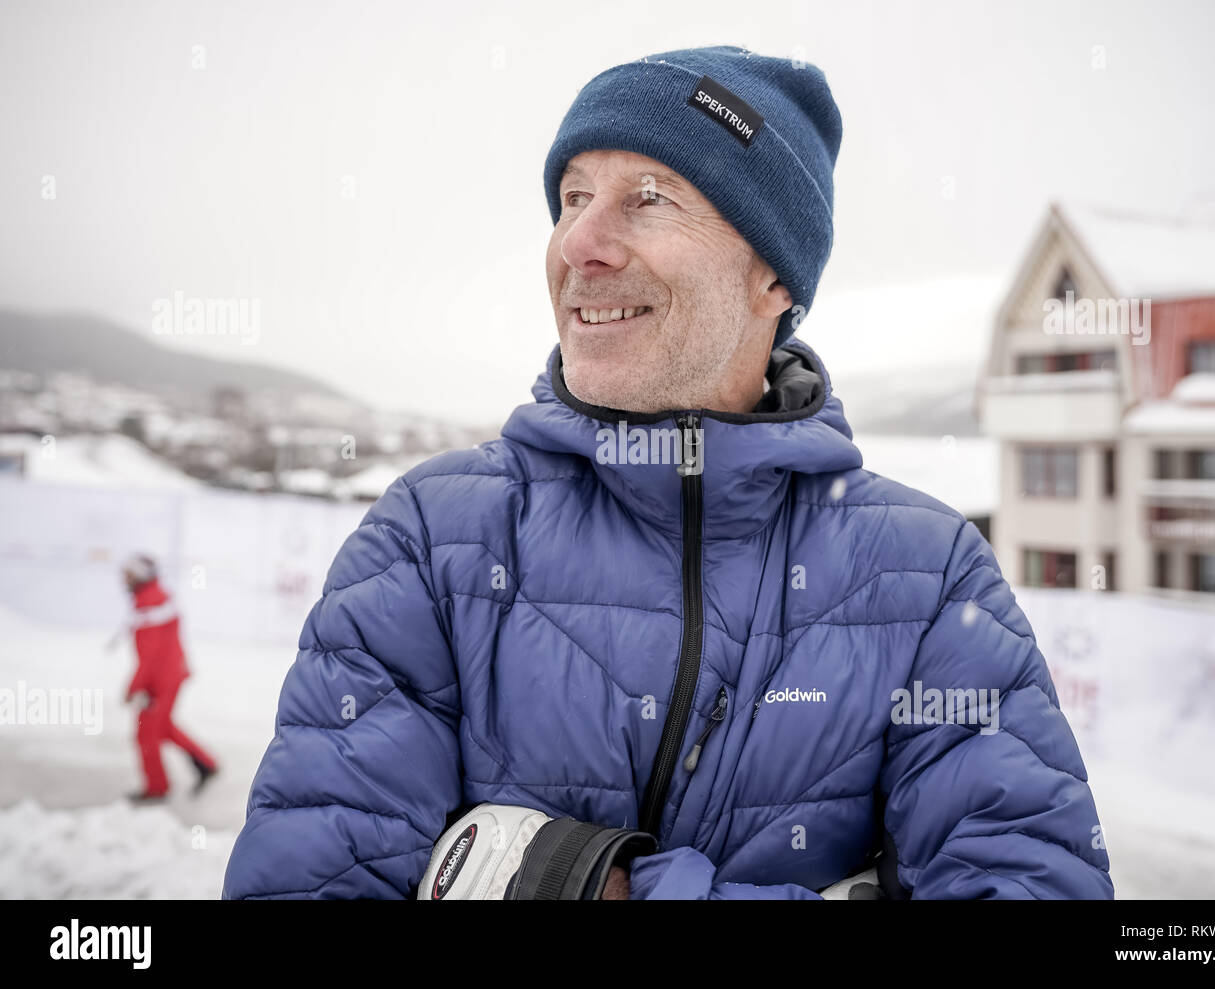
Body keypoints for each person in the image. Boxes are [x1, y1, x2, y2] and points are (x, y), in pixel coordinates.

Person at [223, 45, 1113, 899]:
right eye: (572, 198)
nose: (581, 243)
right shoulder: (431, 539)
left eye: (647, 199)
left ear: (774, 277)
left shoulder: (925, 578)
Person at [118, 553, 218, 802]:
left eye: (128, 575)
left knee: (146, 732)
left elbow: (149, 655)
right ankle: (206, 764)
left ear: (140, 575)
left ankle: (157, 788)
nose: (123, 580)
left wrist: (134, 686)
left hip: (161, 679)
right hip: (167, 674)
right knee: (159, 727)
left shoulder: (150, 602)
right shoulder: (152, 597)